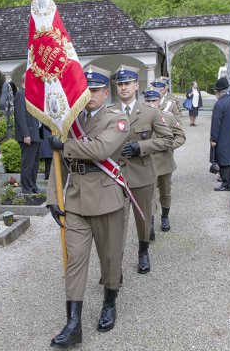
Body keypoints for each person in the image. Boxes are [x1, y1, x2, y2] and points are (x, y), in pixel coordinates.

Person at [45, 65, 129, 349]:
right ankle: (73, 324)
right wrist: (53, 198)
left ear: (107, 92)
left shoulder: (117, 118)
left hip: (107, 200)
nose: (89, 95)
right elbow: (60, 164)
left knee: (110, 258)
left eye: (95, 90)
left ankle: (109, 302)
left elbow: (101, 150)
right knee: (75, 261)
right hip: (77, 201)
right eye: (85, 90)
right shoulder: (72, 119)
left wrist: (64, 143)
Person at [114, 65, 173, 274]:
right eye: (120, 84)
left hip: (142, 173)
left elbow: (168, 139)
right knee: (115, 224)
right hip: (116, 177)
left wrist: (142, 146)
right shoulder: (109, 112)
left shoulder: (149, 112)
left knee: (143, 217)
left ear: (136, 85)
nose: (123, 88)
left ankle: (143, 251)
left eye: (127, 83)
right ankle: (115, 265)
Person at [143, 87, 185, 238]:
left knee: (165, 192)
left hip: (164, 162)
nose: (151, 103)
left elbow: (180, 136)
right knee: (149, 195)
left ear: (159, 101)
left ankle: (165, 217)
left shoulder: (168, 117)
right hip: (146, 162)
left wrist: (169, 146)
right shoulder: (139, 118)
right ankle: (150, 225)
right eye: (148, 100)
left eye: (154, 100)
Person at [210, 77, 230, 191]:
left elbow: (215, 123)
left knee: (223, 157)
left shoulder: (219, 104)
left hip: (222, 135)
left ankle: (226, 184)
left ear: (218, 91)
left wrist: (213, 138)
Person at [14, 75, 41, 193]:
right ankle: (26, 189)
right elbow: (21, 115)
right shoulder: (20, 94)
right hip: (28, 135)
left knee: (35, 164)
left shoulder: (30, 94)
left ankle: (33, 186)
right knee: (28, 164)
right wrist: (26, 134)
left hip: (35, 134)